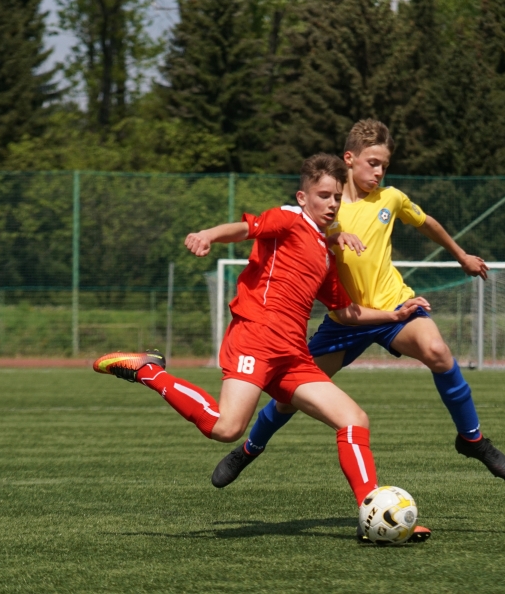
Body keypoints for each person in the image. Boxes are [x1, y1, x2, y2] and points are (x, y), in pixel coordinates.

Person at [92, 153, 431, 541]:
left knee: (354, 419)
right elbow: (244, 229)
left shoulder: (324, 251)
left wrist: (395, 315)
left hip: (293, 354)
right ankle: (148, 370)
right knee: (226, 429)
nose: (332, 204)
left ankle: (371, 512)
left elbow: (345, 311)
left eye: (337, 197)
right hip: (256, 336)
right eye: (324, 195)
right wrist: (208, 235)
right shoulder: (288, 218)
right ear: (303, 197)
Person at [211, 119, 505, 488]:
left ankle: (472, 439)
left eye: (385, 165)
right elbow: (297, 232)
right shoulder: (327, 203)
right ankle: (249, 448)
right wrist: (336, 232)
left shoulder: (392, 198)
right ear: (349, 159)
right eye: (372, 162)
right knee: (289, 399)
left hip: (394, 307)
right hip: (346, 318)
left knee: (437, 350)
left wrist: (461, 255)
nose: (379, 171)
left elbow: (427, 223)